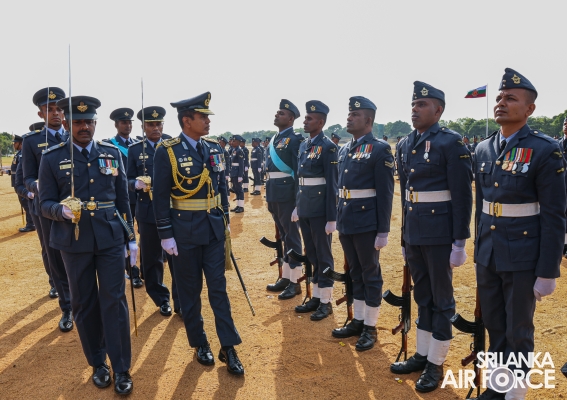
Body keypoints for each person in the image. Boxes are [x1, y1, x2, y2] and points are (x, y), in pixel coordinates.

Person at [471, 69, 566, 400]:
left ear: (529, 109)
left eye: (510, 98)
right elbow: (482, 206)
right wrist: (477, 249)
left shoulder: (545, 150)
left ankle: (516, 394)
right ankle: (498, 388)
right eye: (499, 97)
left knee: (518, 329)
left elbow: (554, 215)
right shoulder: (483, 148)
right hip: (489, 252)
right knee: (494, 323)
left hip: (524, 255)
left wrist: (548, 270)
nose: (501, 102)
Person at [39, 95, 136, 395]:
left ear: (96, 123)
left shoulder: (111, 152)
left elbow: (123, 200)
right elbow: (44, 203)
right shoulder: (52, 157)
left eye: (89, 122)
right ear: (68, 123)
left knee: (114, 300)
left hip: (109, 237)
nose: (84, 127)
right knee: (84, 302)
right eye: (78, 122)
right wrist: (61, 211)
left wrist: (131, 238)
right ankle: (98, 362)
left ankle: (121, 367)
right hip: (73, 239)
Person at [153, 92, 244, 375]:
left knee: (218, 289)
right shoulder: (167, 151)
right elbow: (160, 197)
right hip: (183, 233)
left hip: (213, 230)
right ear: (186, 121)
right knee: (190, 292)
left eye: (207, 117)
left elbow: (221, 187)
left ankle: (228, 346)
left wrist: (225, 219)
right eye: (202, 117)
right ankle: (199, 342)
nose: (207, 121)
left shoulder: (214, 147)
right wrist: (165, 234)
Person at [392, 82, 473, 394]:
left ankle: (436, 362)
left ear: (438, 110)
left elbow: (462, 196)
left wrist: (459, 242)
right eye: (413, 104)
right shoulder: (404, 144)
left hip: (440, 235)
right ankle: (422, 354)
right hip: (415, 233)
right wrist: (404, 237)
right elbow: (405, 196)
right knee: (422, 296)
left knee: (441, 299)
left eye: (422, 104)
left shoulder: (450, 142)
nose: (415, 109)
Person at [331, 96, 394, 352]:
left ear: (368, 120)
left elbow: (385, 193)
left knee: (370, 273)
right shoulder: (344, 149)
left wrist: (383, 230)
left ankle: (370, 326)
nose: (349, 118)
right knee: (354, 272)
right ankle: (358, 320)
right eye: (349, 114)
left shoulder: (380, 149)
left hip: (367, 222)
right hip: (347, 219)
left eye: (355, 115)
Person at [22, 87, 73, 329]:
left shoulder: (75, 135)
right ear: (41, 114)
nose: (55, 113)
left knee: (81, 254)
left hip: (75, 207)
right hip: (46, 208)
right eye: (49, 109)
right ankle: (68, 307)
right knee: (55, 257)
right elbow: (26, 177)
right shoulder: (31, 141)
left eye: (59, 109)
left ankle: (86, 303)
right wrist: (39, 184)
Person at [127, 106, 179, 317]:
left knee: (177, 257)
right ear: (143, 126)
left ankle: (181, 301)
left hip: (173, 209)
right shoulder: (134, 150)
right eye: (151, 125)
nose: (155, 128)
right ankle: (161, 298)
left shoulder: (173, 145)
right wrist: (136, 184)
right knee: (151, 259)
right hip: (147, 211)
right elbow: (126, 180)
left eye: (159, 124)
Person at [293, 100, 338, 320]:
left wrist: (332, 217)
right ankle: (317, 296)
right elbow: (300, 180)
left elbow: (332, 185)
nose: (305, 121)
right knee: (311, 253)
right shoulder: (304, 145)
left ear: (320, 122)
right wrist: (297, 205)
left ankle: (326, 301)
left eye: (309, 119)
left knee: (323, 255)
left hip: (320, 210)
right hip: (305, 208)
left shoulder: (328, 147)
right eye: (305, 118)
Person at [265, 100, 304, 298]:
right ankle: (287, 277)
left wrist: (298, 202)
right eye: (277, 112)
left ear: (290, 119)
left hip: (287, 196)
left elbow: (298, 172)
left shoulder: (295, 139)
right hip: (274, 194)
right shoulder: (275, 139)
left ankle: (295, 281)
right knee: (284, 236)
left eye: (281, 113)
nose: (277, 115)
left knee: (292, 237)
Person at [106, 108, 143, 288]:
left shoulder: (139, 145)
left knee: (146, 233)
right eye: (123, 122)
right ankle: (132, 271)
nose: (127, 125)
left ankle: (148, 265)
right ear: (116, 125)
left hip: (141, 197)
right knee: (127, 234)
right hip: (121, 198)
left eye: (129, 122)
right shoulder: (109, 146)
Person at [11, 134, 35, 232]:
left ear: (20, 143)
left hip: (22, 184)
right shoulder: (18, 154)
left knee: (26, 204)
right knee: (24, 204)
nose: (14, 145)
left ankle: (31, 224)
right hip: (17, 183)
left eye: (15, 143)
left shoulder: (22, 154)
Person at [229, 135, 245, 213]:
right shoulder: (234, 150)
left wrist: (240, 175)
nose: (232, 142)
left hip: (237, 173)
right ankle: (238, 205)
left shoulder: (239, 151)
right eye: (232, 141)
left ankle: (241, 207)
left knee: (239, 190)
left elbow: (241, 164)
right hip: (233, 172)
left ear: (238, 142)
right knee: (236, 190)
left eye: (234, 141)